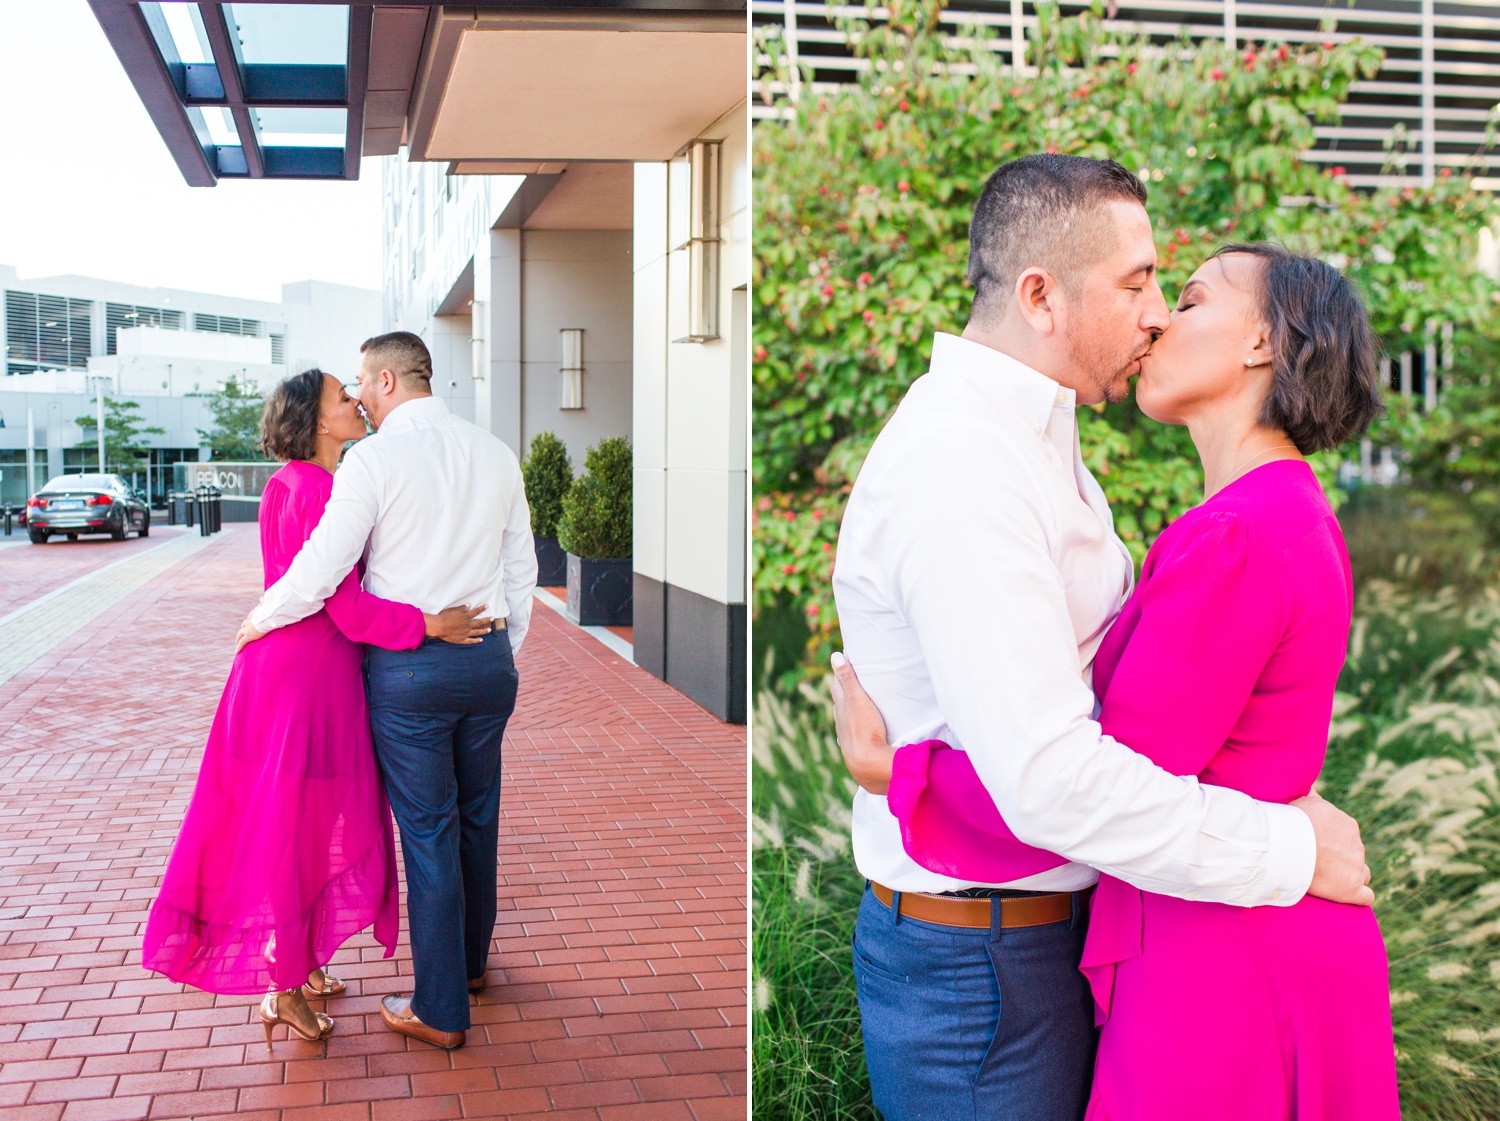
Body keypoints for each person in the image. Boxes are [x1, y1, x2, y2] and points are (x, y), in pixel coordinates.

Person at [824, 154, 1374, 1121]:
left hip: (1132, 941)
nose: (1158, 311)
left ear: (1263, 344)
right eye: (1141, 282)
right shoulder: (968, 466)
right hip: (984, 958)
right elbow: (1059, 779)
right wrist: (1287, 843)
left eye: (1176, 289)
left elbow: (1130, 749)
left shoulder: (1194, 503)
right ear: (1041, 297)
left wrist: (902, 770)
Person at [142, 368, 493, 1047]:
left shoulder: (294, 483)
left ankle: (299, 964)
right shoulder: (322, 488)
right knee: (293, 828)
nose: (357, 402)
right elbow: (343, 602)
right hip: (304, 682)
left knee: (301, 821)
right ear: (316, 420)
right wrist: (428, 623)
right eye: (342, 396)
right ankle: (282, 985)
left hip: (298, 674)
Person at [236, 331, 538, 1051]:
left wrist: (262, 615)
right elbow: (521, 569)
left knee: (429, 831)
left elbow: (321, 568)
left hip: (411, 672)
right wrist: (502, 651)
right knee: (477, 820)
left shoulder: (372, 459)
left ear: (390, 381)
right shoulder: (496, 453)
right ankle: (466, 969)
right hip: (488, 660)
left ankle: (439, 1008)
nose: (361, 399)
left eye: (364, 385)